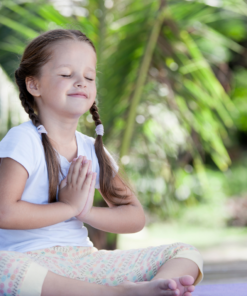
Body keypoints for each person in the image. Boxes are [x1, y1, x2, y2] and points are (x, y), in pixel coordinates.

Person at [0, 29, 203, 296]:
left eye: (89, 76)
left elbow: (134, 216)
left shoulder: (92, 149)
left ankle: (154, 290)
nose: (81, 82)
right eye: (65, 74)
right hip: (28, 265)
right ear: (33, 85)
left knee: (185, 253)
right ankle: (121, 293)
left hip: (82, 262)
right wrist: (68, 206)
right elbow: (5, 212)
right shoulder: (23, 139)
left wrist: (85, 212)